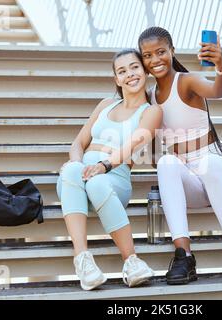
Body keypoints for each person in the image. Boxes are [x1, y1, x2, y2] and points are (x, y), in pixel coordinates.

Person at [138, 27, 222, 285]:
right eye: (147, 56)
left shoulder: (186, 81)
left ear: (172, 51)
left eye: (160, 52)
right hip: (192, 181)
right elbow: (156, 150)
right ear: (143, 62)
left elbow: (217, 91)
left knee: (208, 164)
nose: (155, 60)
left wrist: (221, 66)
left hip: (220, 168)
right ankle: (183, 256)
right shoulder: (150, 98)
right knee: (167, 161)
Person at [56, 48, 162, 290]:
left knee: (96, 182)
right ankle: (83, 261)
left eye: (135, 67)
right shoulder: (105, 105)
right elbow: (78, 143)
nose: (130, 74)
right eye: (122, 71)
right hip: (78, 180)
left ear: (145, 71)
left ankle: (131, 262)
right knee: (71, 171)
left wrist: (103, 166)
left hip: (114, 178)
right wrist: (75, 162)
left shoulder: (152, 111)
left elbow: (135, 142)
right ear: (117, 79)